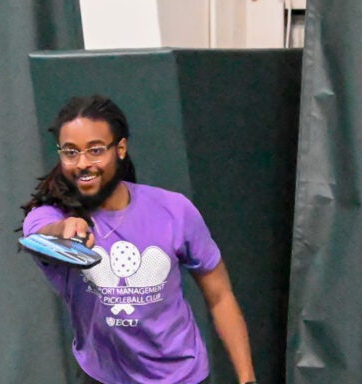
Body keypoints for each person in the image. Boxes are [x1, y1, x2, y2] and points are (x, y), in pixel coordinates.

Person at [21, 95, 256, 384]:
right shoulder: (48, 215)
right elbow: (40, 234)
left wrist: (247, 379)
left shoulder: (174, 210)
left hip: (183, 377)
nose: (82, 163)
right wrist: (64, 229)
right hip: (103, 377)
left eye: (95, 150)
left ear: (120, 149)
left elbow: (220, 295)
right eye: (70, 152)